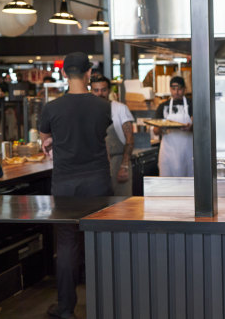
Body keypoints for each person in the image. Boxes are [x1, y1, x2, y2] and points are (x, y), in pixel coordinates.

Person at [39, 52, 113, 319]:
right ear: (89, 74)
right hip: (97, 181)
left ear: (63, 74)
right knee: (100, 242)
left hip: (65, 184)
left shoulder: (51, 108)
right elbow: (99, 135)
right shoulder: (103, 106)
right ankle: (105, 306)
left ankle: (66, 309)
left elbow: (45, 139)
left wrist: (50, 143)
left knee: (68, 244)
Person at [91, 75, 135, 196]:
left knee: (122, 207)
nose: (100, 93)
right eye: (96, 90)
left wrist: (124, 166)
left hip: (118, 162)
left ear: (109, 90)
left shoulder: (120, 108)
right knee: (100, 207)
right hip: (97, 165)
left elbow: (130, 139)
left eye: (103, 90)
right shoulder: (88, 111)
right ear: (91, 91)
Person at [153, 76, 193, 176]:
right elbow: (155, 131)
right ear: (170, 89)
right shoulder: (162, 106)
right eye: (173, 89)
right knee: (168, 184)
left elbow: (200, 127)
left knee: (188, 184)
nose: (176, 92)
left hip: (187, 152)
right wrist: (161, 128)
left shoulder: (191, 104)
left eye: (179, 89)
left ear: (184, 89)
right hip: (168, 152)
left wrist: (191, 128)